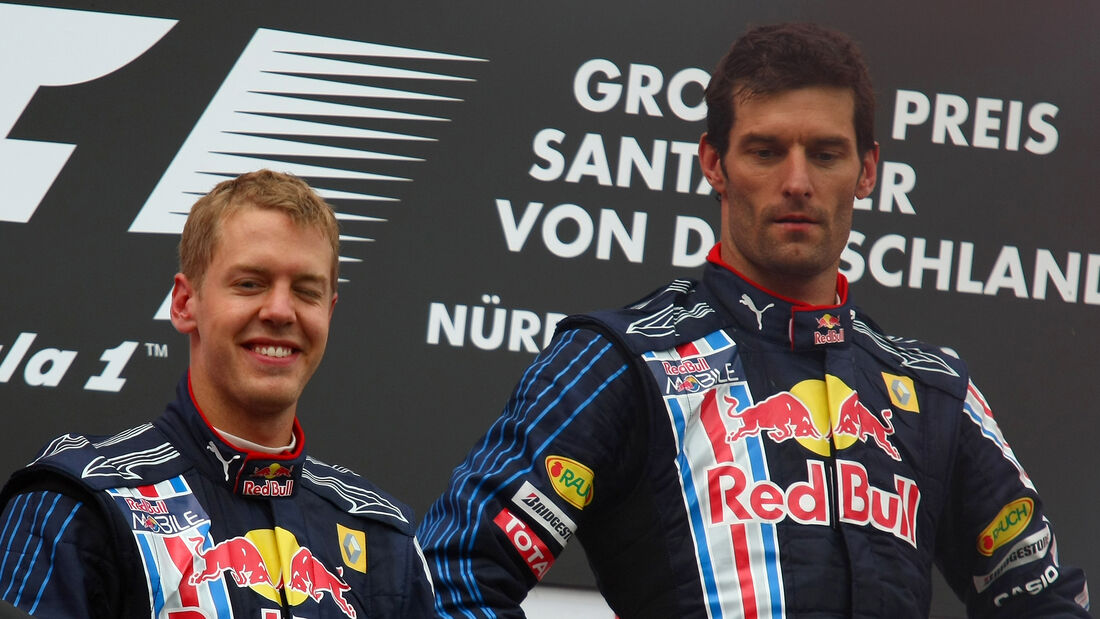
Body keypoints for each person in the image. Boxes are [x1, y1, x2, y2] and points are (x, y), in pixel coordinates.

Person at [418, 23, 1090, 618]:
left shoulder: (936, 393)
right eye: (766, 151)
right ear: (714, 162)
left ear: (867, 170)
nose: (796, 181)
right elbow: (449, 574)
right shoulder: (624, 360)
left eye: (825, 154)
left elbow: (1045, 600)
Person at [0, 170, 435, 617]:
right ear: (185, 303)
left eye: (306, 291)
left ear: (329, 310)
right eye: (250, 283)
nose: (280, 311)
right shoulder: (82, 502)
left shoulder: (383, 537)